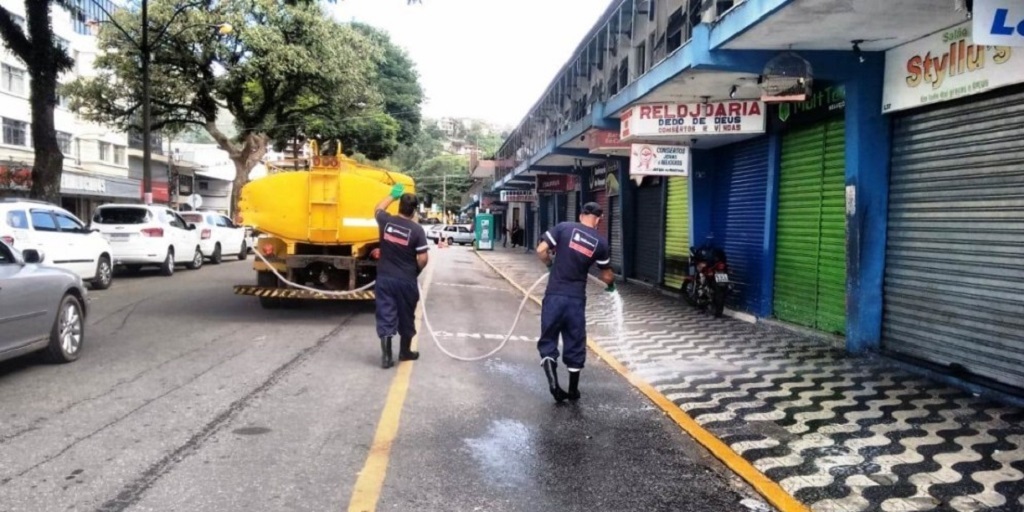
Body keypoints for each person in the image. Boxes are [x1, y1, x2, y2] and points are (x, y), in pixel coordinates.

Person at [534, 202, 615, 402]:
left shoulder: (563, 228)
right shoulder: (601, 242)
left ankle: (553, 385)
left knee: (548, 338)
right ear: (598, 219)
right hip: (576, 300)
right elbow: (606, 275)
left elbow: (541, 250)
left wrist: (550, 265)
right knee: (575, 341)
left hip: (554, 295)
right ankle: (573, 391)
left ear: (581, 215)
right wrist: (611, 286)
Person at [374, 183, 429, 369]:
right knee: (406, 317)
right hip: (406, 280)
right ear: (414, 211)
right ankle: (405, 352)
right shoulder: (416, 230)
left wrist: (392, 195)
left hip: (385, 278)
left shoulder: (386, 222)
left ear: (399, 207)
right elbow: (423, 258)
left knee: (386, 314)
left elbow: (378, 209)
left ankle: (387, 357)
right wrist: (415, 270)